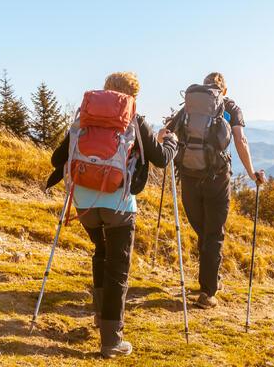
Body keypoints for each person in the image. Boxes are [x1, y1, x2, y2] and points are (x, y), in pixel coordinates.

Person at [45, 72, 177, 358]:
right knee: (118, 268)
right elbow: (161, 159)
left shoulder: (85, 118)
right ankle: (111, 341)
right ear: (131, 96)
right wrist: (170, 142)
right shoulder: (134, 119)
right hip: (119, 206)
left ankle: (100, 316)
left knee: (101, 252)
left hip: (84, 206)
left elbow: (57, 159)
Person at [163, 72, 266, 309]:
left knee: (204, 232)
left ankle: (210, 280)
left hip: (189, 176)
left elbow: (165, 133)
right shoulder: (229, 107)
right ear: (224, 90)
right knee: (214, 234)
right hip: (217, 178)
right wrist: (251, 173)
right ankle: (208, 292)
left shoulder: (188, 107)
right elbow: (241, 140)